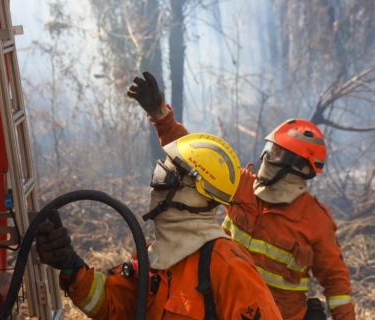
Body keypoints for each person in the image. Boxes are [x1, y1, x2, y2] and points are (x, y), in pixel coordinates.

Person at [127, 71, 355, 320]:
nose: (267, 157)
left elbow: (337, 283)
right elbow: (196, 159)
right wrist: (161, 116)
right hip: (223, 307)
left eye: (278, 153)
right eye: (270, 148)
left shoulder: (316, 221)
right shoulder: (242, 185)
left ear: (300, 167)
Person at [35, 133, 283, 319]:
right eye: (158, 173)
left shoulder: (228, 266)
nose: (155, 186)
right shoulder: (155, 257)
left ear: (195, 192)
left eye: (166, 177)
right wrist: (71, 267)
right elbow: (112, 305)